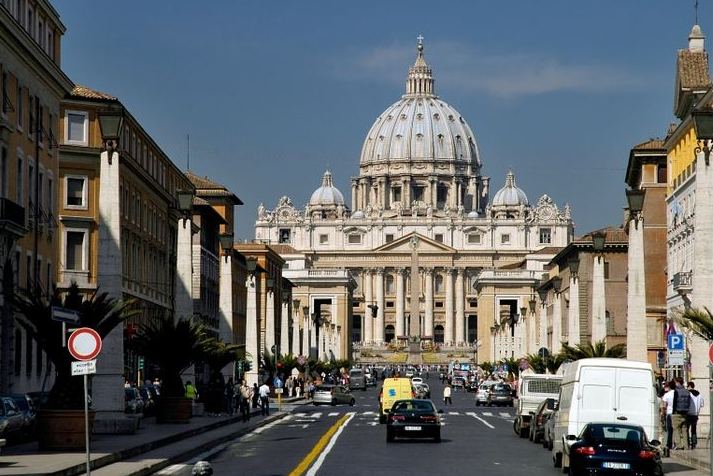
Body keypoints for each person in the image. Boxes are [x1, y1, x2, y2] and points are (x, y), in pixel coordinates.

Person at [672, 377, 692, 450]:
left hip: (677, 412)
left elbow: (674, 402)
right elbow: (689, 401)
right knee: (684, 429)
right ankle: (686, 445)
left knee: (676, 428)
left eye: (675, 382)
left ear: (677, 382)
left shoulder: (676, 391)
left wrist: (673, 411)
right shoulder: (687, 391)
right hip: (685, 412)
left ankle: (679, 445)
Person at [688, 381, 704, 449]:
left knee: (686, 429)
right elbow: (702, 404)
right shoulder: (700, 395)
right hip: (696, 414)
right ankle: (694, 443)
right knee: (694, 429)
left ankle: (688, 442)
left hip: (688, 414)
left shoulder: (688, 394)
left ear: (689, 386)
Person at [661, 381, 674, 455]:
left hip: (669, 413)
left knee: (669, 430)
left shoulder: (667, 395)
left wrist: (663, 413)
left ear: (668, 387)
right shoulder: (676, 393)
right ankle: (675, 444)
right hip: (676, 413)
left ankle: (669, 444)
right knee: (675, 430)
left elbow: (664, 406)